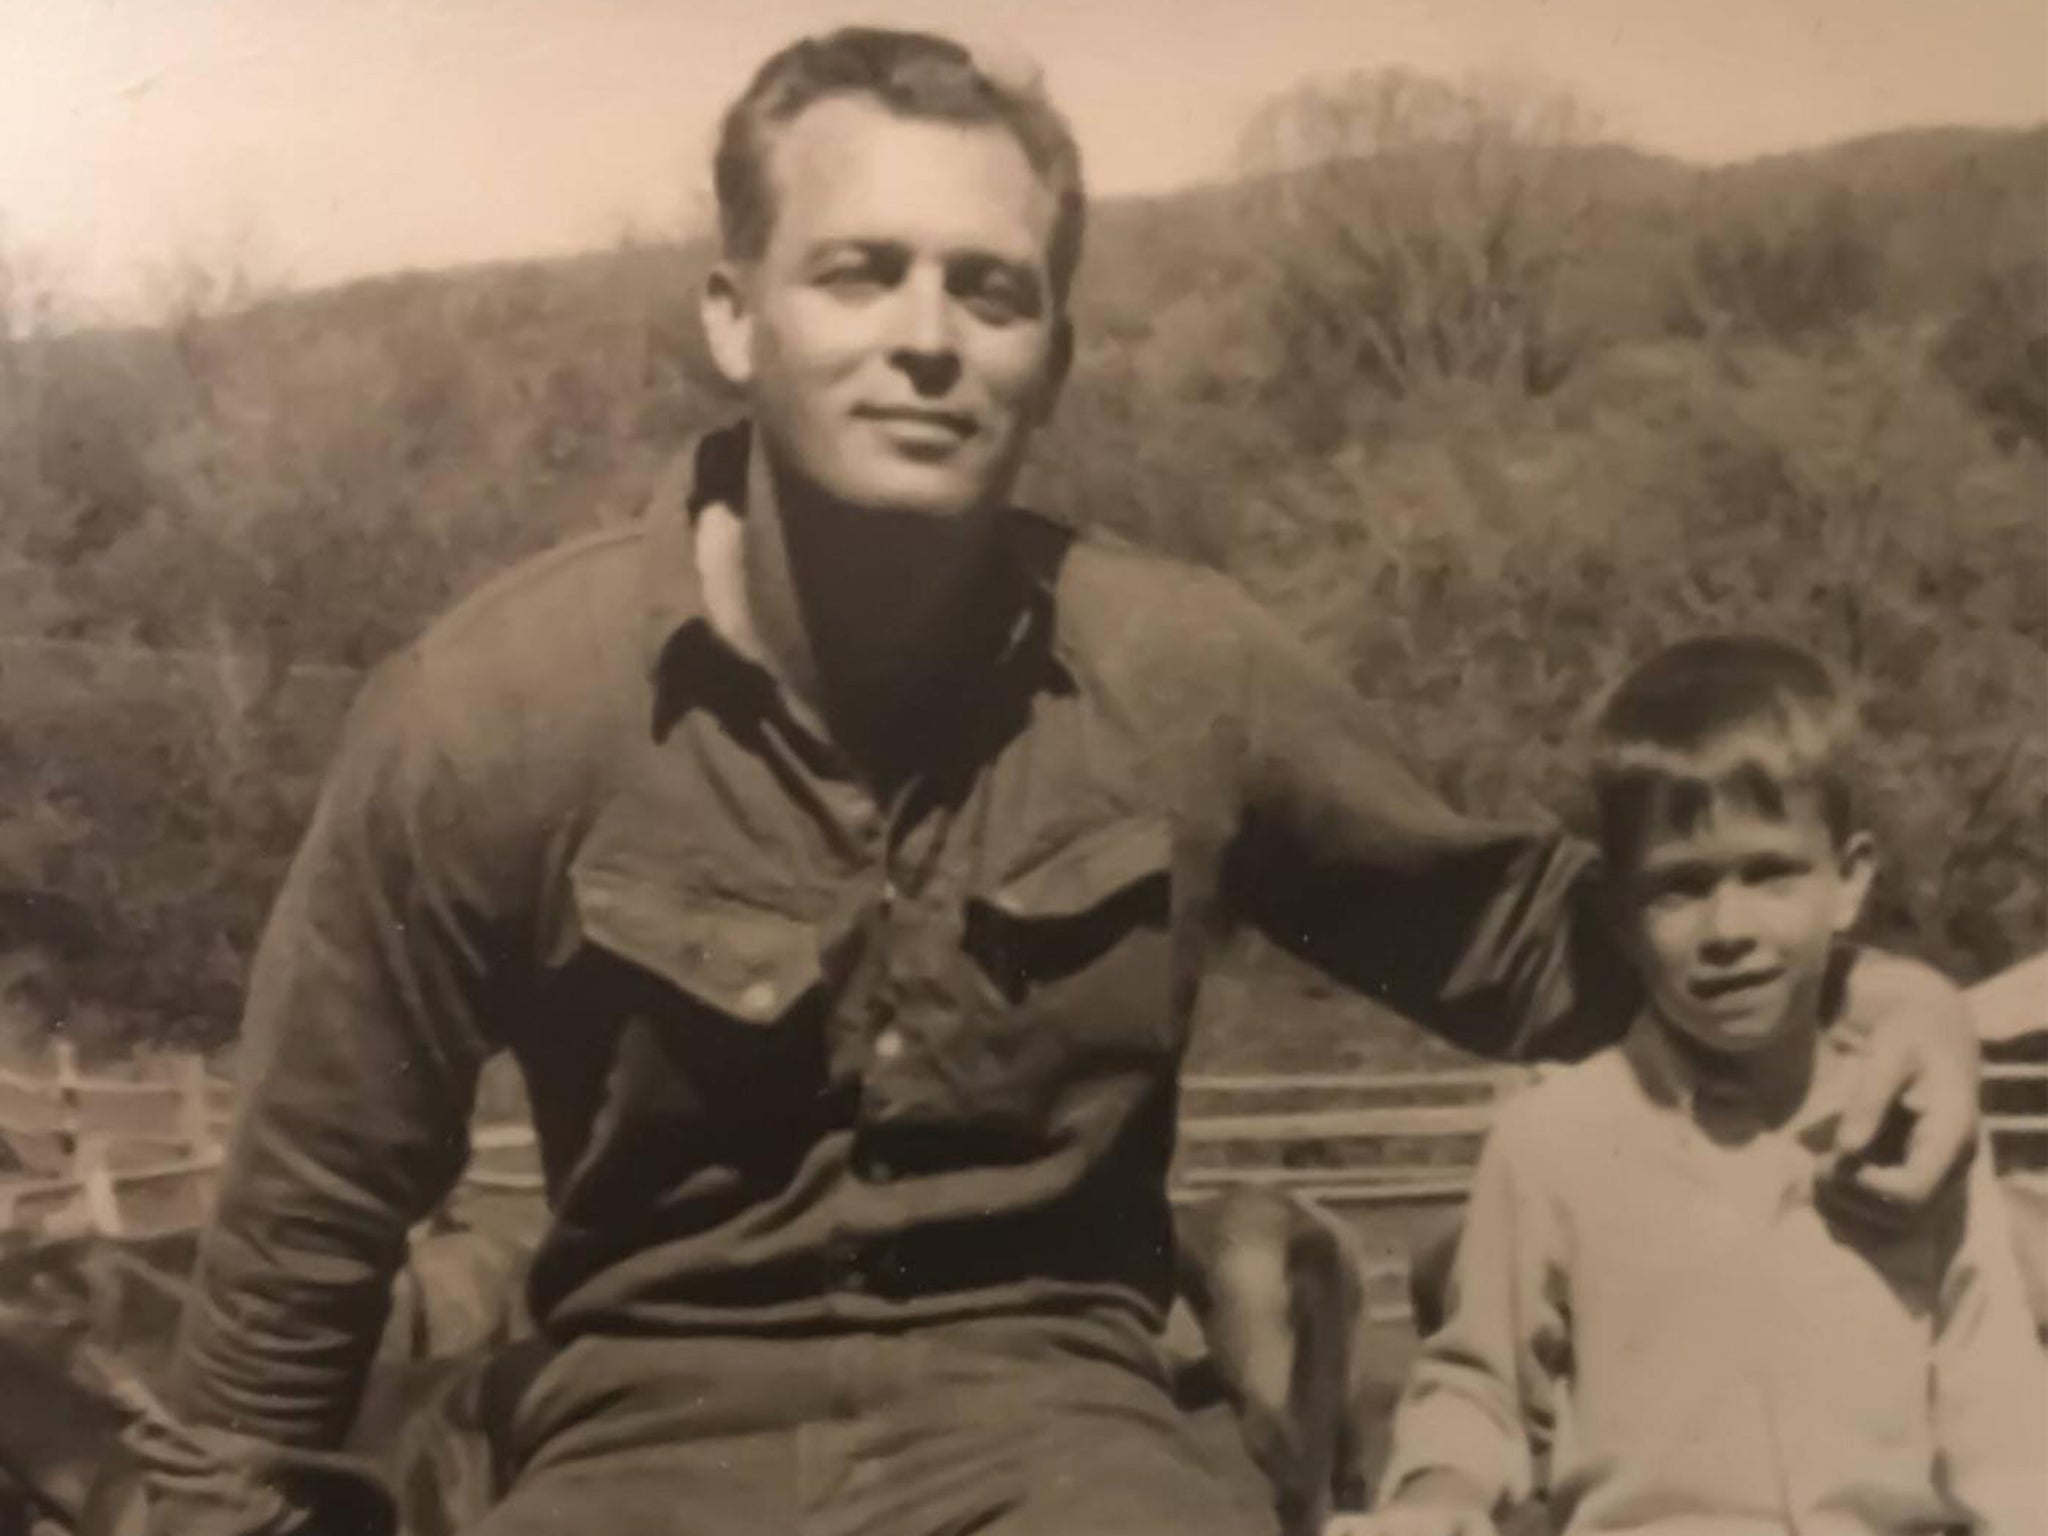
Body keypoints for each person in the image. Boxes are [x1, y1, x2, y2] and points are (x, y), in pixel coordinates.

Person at [138, 29, 1982, 1536]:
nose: (926, 334)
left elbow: (1525, 937)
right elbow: (309, 1212)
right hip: (643, 1436)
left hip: (1070, 1426)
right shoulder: (490, 713)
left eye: (990, 289)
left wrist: (1890, 992)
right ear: (731, 314)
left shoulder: (1179, 676)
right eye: (858, 270)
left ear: (1053, 354)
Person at [1344, 638, 2044, 1536]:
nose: (1729, 928)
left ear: (1850, 880)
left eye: (1770, 873)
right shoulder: (1556, 1138)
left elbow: (2001, 1408)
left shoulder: (1915, 1126)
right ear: (1620, 919)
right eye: (1680, 888)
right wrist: (1438, 1492)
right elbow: (1479, 1385)